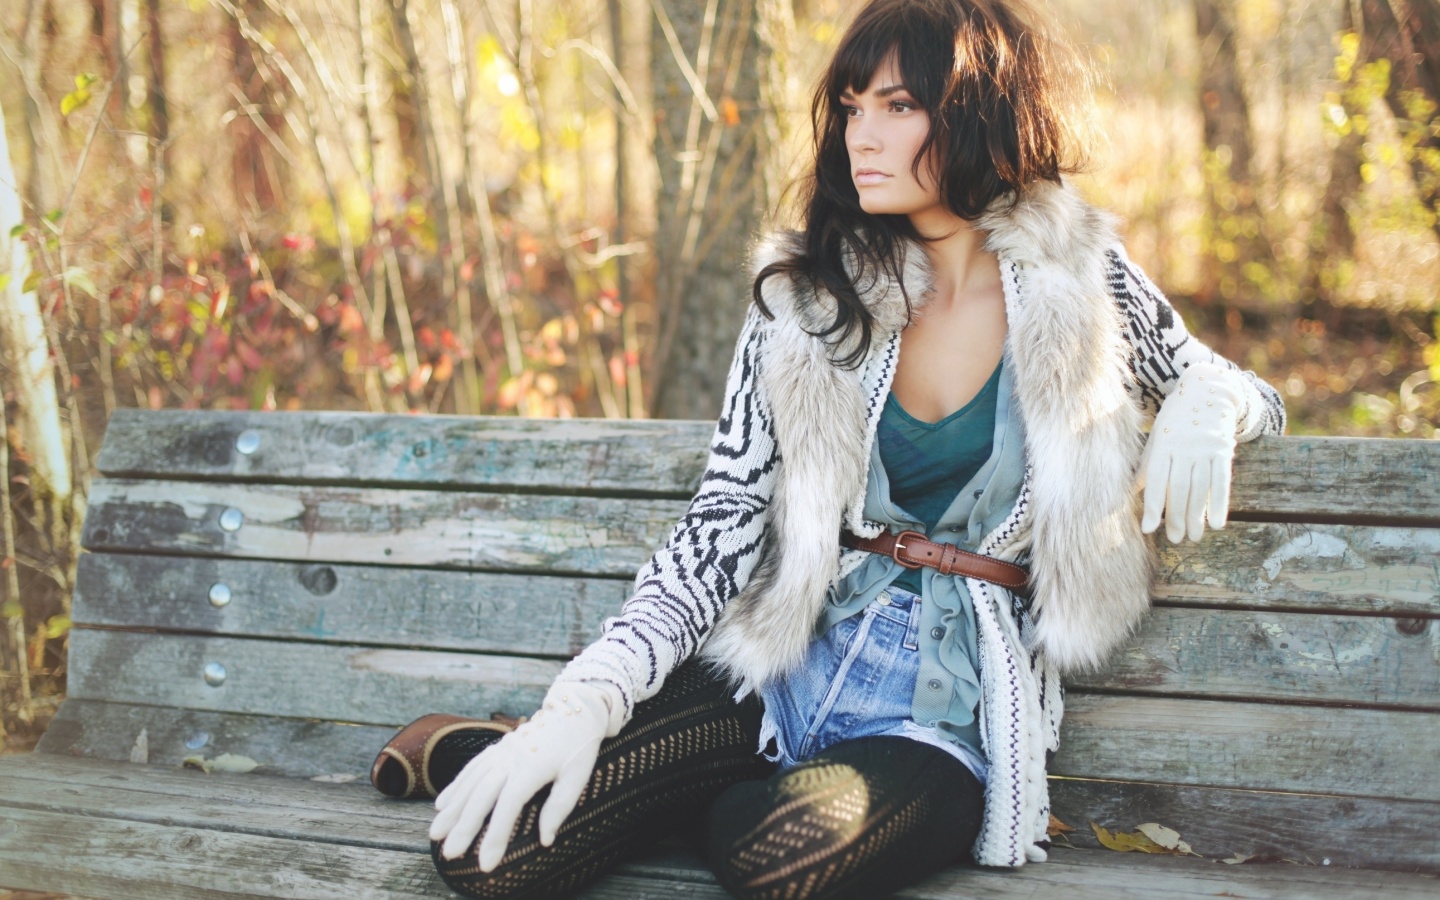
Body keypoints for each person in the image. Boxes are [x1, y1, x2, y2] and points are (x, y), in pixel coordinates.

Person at [368, 1, 1287, 897]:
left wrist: (1207, 405)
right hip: (778, 671)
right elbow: (725, 513)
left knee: (783, 861)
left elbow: (1245, 390)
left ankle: (635, 787)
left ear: (976, 113)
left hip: (936, 715)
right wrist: (587, 702)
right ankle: (576, 759)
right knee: (489, 859)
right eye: (851, 109)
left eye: (898, 106)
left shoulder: (1077, 278)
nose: (862, 137)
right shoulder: (808, 295)